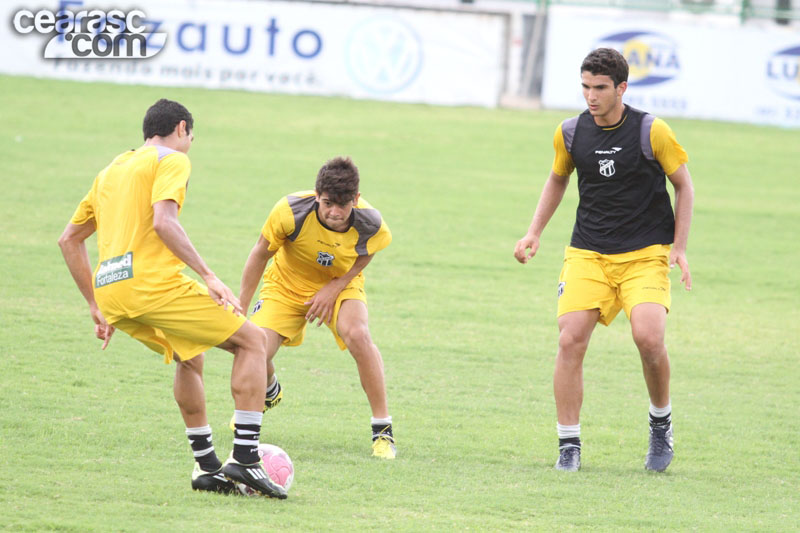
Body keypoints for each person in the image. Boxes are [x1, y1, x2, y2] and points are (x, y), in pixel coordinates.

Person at [57, 98, 287, 498]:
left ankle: (207, 467)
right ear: (182, 128)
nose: (190, 144)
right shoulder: (172, 159)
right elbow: (165, 222)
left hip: (113, 293)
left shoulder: (111, 170)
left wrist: (95, 305)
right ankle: (246, 458)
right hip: (153, 286)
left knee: (190, 356)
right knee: (252, 341)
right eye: (191, 136)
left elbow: (69, 239)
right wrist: (209, 276)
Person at [513, 48, 694, 472]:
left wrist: (679, 247)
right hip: (588, 252)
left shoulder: (652, 131)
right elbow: (557, 178)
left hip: (645, 254)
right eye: (585, 87)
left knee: (649, 338)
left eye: (599, 88)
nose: (590, 96)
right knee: (569, 339)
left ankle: (660, 422)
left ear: (621, 88)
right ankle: (568, 445)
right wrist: (533, 232)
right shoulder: (571, 132)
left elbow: (684, 186)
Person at [236, 156, 396, 459]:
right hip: (285, 285)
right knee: (252, 347)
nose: (335, 212)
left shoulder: (371, 223)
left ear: (356, 199)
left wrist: (335, 286)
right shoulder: (290, 211)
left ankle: (383, 430)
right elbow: (259, 254)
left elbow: (368, 251)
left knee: (358, 334)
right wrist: (240, 309)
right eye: (327, 203)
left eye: (343, 205)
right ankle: (268, 392)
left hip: (340, 285)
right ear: (316, 195)